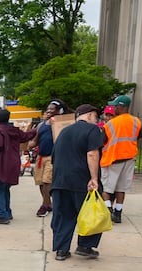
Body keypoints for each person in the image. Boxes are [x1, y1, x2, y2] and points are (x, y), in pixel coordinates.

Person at [50, 104, 104, 260]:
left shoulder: (63, 131)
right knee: (90, 213)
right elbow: (92, 154)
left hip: (60, 181)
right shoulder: (92, 130)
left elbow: (54, 157)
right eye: (95, 116)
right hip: (82, 181)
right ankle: (85, 246)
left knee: (63, 216)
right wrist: (94, 178)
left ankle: (61, 250)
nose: (96, 120)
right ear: (88, 115)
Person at [0, 109, 37, 224]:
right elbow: (26, 136)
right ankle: (7, 212)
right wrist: (37, 129)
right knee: (5, 189)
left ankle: (2, 215)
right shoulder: (14, 130)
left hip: (0, 164)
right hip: (12, 163)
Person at [100, 95, 142, 223]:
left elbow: (102, 141)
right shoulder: (136, 121)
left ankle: (108, 211)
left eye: (116, 106)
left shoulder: (111, 124)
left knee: (106, 188)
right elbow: (138, 137)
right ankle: (118, 214)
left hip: (112, 159)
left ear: (121, 107)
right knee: (121, 188)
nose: (114, 108)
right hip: (129, 158)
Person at [28, 99, 69, 218]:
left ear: (60, 111)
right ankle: (48, 204)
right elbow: (35, 141)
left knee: (47, 181)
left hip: (53, 157)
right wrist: (25, 143)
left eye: (52, 109)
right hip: (41, 157)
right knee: (40, 182)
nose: (49, 111)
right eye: (48, 108)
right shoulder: (41, 125)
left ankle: (44, 205)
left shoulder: (61, 124)